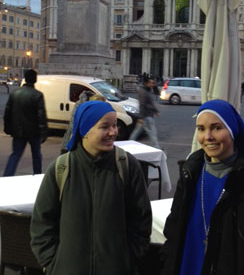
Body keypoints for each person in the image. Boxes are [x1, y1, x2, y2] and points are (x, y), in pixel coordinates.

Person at [161, 99, 244, 275]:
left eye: (216, 128)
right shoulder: (189, 175)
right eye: (201, 129)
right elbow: (173, 231)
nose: (208, 137)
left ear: (232, 131)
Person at [30, 100, 152, 275]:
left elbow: (141, 220)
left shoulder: (126, 166)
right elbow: (42, 224)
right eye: (105, 127)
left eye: (115, 125)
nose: (113, 132)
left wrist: (128, 259)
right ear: (85, 130)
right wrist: (54, 264)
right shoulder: (62, 169)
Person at [3, 69, 48, 176]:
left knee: (15, 155)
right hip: (34, 132)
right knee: (36, 156)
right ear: (35, 80)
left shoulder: (14, 94)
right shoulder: (37, 95)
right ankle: (36, 177)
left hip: (18, 131)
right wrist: (44, 132)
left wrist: (8, 128)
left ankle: (7, 177)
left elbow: (7, 113)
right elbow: (41, 116)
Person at [129, 77, 161, 149]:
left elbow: (156, 95)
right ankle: (157, 148)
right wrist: (141, 117)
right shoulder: (143, 92)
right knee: (152, 133)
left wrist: (155, 111)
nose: (152, 84)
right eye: (151, 83)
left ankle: (129, 143)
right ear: (146, 83)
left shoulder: (149, 90)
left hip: (148, 115)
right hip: (146, 116)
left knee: (136, 132)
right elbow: (142, 104)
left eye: (153, 83)